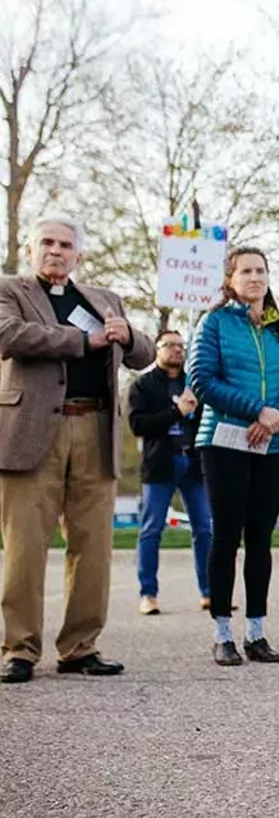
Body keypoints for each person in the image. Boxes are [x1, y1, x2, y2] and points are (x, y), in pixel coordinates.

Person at [0, 215, 154, 684]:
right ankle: (19, 649)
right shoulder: (11, 291)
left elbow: (143, 355)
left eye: (65, 244)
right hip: (31, 432)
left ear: (79, 256)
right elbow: (9, 335)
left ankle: (80, 647)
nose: (55, 251)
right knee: (25, 545)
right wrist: (79, 340)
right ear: (30, 250)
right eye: (46, 242)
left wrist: (128, 335)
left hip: (95, 427)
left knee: (93, 546)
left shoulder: (104, 300)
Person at [189, 246, 279, 666]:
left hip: (272, 445)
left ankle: (256, 632)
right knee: (225, 537)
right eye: (246, 271)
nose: (255, 278)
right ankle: (222, 632)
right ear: (230, 279)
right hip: (224, 442)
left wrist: (276, 416)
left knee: (261, 538)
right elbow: (202, 380)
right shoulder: (214, 323)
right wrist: (254, 409)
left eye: (261, 271)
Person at [127, 329, 214, 614]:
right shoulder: (144, 386)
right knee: (152, 529)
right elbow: (139, 425)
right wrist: (176, 412)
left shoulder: (196, 384)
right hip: (161, 463)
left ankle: (210, 591)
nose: (177, 350)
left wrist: (195, 409)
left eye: (181, 346)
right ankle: (148, 593)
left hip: (193, 463)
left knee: (203, 528)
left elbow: (208, 421)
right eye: (169, 345)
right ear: (157, 349)